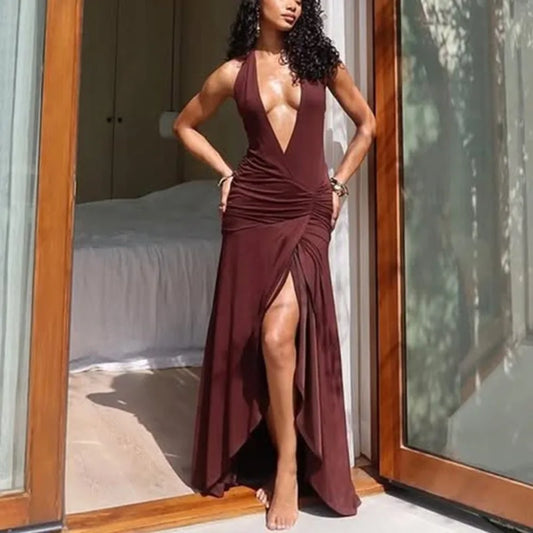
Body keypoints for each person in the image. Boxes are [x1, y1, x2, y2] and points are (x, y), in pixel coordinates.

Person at [173, 0, 375, 530]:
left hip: (308, 209)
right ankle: (271, 451)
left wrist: (338, 184)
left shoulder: (320, 62)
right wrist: (225, 173)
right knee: (253, 334)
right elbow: (186, 126)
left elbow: (367, 124)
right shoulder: (232, 74)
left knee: (277, 334)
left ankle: (288, 466)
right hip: (253, 211)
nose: (293, 4)